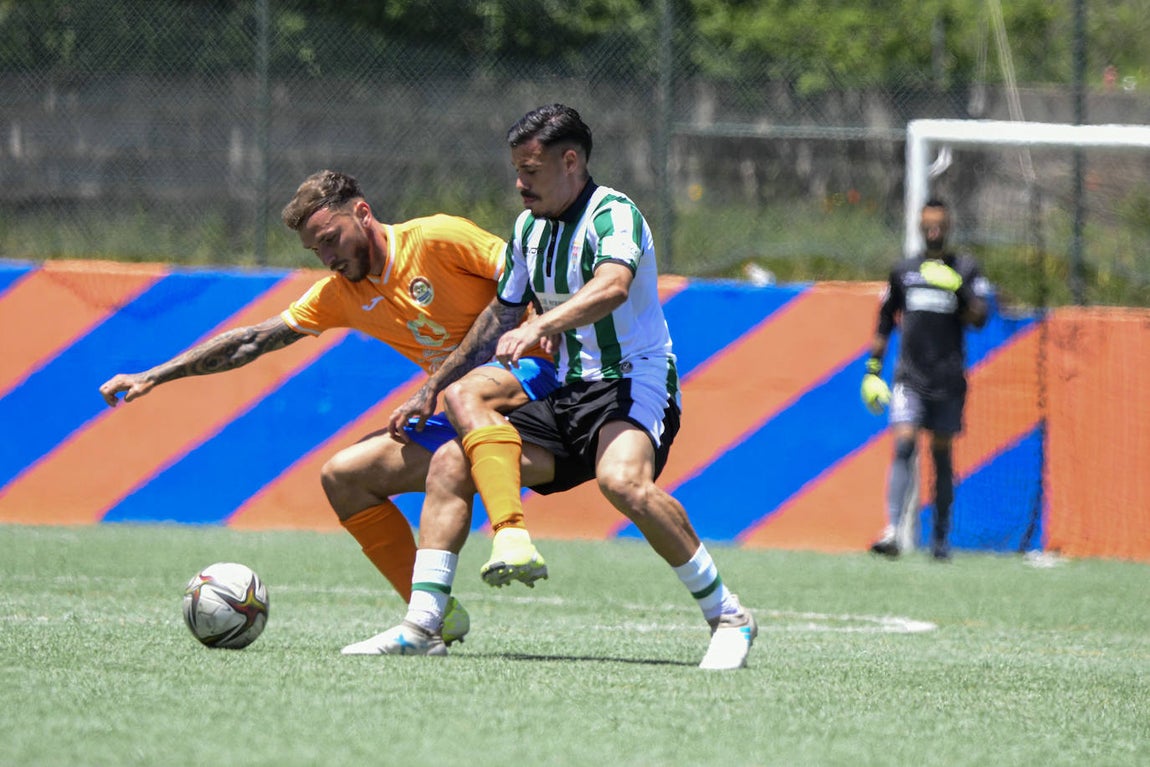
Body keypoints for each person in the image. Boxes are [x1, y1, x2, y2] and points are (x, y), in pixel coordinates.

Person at [342, 104, 757, 670]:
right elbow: (498, 315)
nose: (519, 184)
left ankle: (728, 615)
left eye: (530, 172)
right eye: (516, 170)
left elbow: (611, 287)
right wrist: (432, 387)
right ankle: (423, 624)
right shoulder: (528, 230)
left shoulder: (615, 214)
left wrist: (542, 324)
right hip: (569, 391)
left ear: (570, 162)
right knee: (450, 463)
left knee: (623, 483)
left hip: (631, 381)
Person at [98, 169, 560, 645]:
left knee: (458, 415)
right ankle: (434, 617)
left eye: (330, 239)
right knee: (344, 476)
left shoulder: (440, 237)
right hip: (467, 405)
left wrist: (435, 385)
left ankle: (510, 538)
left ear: (362, 213)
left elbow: (525, 289)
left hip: (537, 381)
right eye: (316, 251)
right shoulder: (342, 294)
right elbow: (251, 342)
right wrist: (156, 374)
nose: (327, 257)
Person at [861, 197, 991, 560]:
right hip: (909, 378)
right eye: (927, 224)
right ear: (920, 227)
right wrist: (872, 371)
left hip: (948, 380)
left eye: (939, 224)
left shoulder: (966, 268)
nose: (934, 230)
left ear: (948, 227)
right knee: (903, 444)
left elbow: (980, 318)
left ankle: (940, 538)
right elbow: (885, 321)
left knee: (942, 457)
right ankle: (892, 530)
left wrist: (958, 288)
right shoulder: (904, 270)